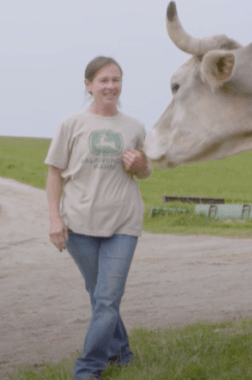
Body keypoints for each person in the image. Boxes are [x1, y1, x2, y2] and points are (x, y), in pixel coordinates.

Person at [45, 56, 151, 380]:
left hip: (123, 223)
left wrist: (140, 165)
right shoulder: (71, 124)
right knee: (100, 294)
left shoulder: (134, 127)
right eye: (103, 80)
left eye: (116, 80)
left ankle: (87, 370)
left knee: (106, 297)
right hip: (79, 225)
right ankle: (121, 352)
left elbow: (145, 171)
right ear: (88, 85)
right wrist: (54, 219)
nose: (110, 86)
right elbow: (54, 174)